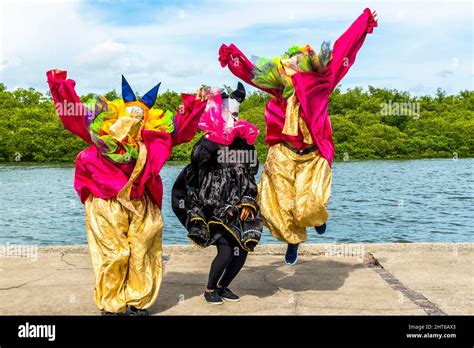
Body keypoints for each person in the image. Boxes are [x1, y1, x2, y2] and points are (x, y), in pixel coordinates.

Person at [218, 8, 378, 265]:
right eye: (288, 62)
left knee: (310, 204)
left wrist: (363, 23)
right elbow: (251, 74)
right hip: (283, 154)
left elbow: (343, 50)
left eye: (296, 60)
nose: (291, 65)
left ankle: (318, 219)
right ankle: (293, 241)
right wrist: (233, 58)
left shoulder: (324, 82)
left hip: (312, 155)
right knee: (278, 204)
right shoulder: (280, 87)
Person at [47, 69, 207, 315]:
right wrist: (59, 85)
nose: (132, 122)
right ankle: (111, 304)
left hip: (142, 201)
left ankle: (137, 301)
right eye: (129, 115)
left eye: (139, 117)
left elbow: (181, 131)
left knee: (143, 249)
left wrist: (196, 104)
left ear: (146, 120)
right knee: (114, 252)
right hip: (105, 200)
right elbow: (73, 117)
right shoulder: (100, 133)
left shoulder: (154, 139)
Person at [171, 83, 263, 304]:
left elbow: (250, 173)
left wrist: (248, 202)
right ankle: (209, 289)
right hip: (215, 206)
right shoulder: (207, 143)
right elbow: (201, 177)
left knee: (242, 251)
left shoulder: (243, 143)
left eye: (236, 114)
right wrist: (222, 206)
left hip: (240, 206)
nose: (233, 118)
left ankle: (223, 287)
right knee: (226, 251)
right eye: (229, 114)